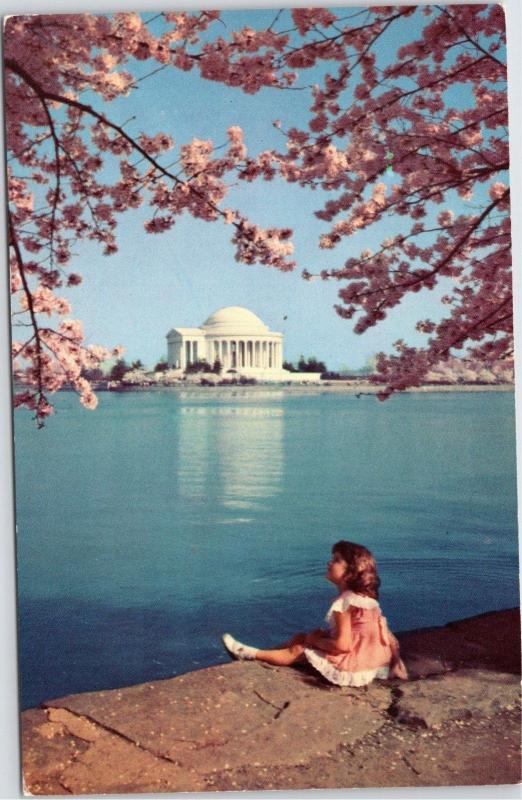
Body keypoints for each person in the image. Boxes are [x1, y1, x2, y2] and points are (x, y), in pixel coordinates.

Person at [222, 540, 408, 686]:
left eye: (336, 560)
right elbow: (385, 633)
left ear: (350, 573)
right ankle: (265, 654)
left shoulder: (344, 603)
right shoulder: (367, 600)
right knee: (301, 636)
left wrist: (315, 642)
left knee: (298, 649)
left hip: (356, 666)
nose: (329, 562)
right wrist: (395, 660)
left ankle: (249, 654)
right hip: (377, 662)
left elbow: (343, 646)